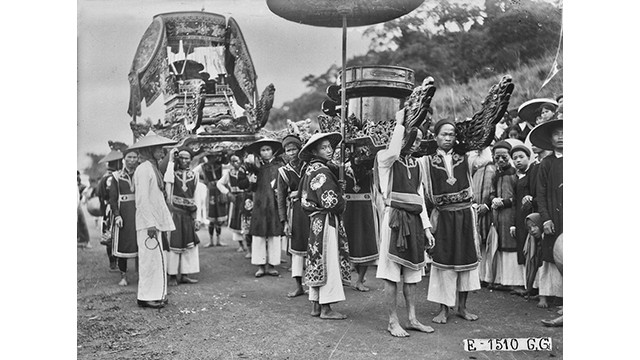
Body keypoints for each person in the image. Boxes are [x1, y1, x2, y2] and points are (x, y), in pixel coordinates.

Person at [374, 110, 435, 337]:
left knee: (412, 273)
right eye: (413, 138)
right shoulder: (384, 158)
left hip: (414, 220)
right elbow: (394, 150)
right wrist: (400, 124)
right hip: (394, 219)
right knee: (391, 273)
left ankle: (411, 318)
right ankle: (392, 321)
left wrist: (427, 227)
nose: (416, 143)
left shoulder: (417, 165)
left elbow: (420, 199)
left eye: (419, 140)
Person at [422, 119, 481, 324]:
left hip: (464, 214)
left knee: (466, 261)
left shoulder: (467, 157)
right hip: (444, 216)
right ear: (435, 136)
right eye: (444, 134)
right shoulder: (425, 161)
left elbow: (486, 157)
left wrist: (471, 139)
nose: (448, 138)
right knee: (444, 263)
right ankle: (444, 309)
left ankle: (462, 307)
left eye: (452, 134)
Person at [298, 132, 351, 320]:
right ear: (314, 151)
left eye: (330, 146)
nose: (329, 150)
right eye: (324, 147)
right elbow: (332, 202)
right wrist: (342, 196)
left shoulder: (309, 170)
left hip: (316, 221)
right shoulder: (323, 172)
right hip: (326, 219)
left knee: (316, 257)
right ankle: (326, 308)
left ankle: (315, 304)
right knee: (328, 260)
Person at [129, 131, 177, 309]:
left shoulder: (152, 168)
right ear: (150, 149)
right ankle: (146, 296)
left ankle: (157, 293)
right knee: (149, 261)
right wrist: (149, 223)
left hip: (154, 222)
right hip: (147, 223)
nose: (162, 153)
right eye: (159, 149)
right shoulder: (143, 169)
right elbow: (141, 200)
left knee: (156, 259)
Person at [530, 119, 563, 309]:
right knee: (550, 255)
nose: (561, 137)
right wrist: (546, 218)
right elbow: (540, 194)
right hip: (554, 215)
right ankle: (546, 294)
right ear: (550, 139)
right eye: (556, 134)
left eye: (564, 132)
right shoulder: (546, 163)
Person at [488, 141, 525, 292]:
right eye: (497, 158)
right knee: (500, 246)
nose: (501, 161)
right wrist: (493, 200)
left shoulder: (514, 174)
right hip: (498, 216)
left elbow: (517, 197)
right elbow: (491, 192)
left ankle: (515, 282)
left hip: (511, 215)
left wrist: (504, 202)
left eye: (504, 157)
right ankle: (502, 280)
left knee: (511, 247)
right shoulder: (497, 174)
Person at [275, 134, 310, 297]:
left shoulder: (309, 167)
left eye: (294, 149)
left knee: (313, 248)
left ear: (300, 149)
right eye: (288, 150)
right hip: (294, 212)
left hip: (311, 210)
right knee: (296, 250)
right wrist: (284, 221)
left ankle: (313, 283)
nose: (291, 153)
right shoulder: (283, 172)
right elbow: (281, 197)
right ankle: (298, 286)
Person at [245, 138, 285, 277]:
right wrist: (251, 182)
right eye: (263, 150)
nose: (266, 152)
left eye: (268, 149)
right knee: (259, 235)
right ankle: (261, 266)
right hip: (260, 204)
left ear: (273, 151)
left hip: (274, 204)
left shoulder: (279, 167)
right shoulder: (255, 168)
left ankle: (272, 265)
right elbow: (250, 188)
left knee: (274, 235)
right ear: (259, 153)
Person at [343, 147, 379, 293]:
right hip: (348, 209)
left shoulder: (370, 169)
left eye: (362, 155)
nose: (358, 158)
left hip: (365, 209)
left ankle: (359, 280)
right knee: (346, 243)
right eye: (356, 154)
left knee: (365, 243)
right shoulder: (342, 168)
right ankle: (344, 279)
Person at [164, 147, 201, 286]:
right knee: (174, 245)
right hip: (175, 214)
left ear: (191, 160)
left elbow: (196, 196)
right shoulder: (172, 174)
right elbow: (167, 182)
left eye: (187, 158)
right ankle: (172, 275)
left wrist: (197, 218)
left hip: (188, 214)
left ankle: (185, 274)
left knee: (188, 246)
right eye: (182, 158)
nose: (184, 161)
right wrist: (171, 161)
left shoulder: (194, 175)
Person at [109, 147, 139, 286]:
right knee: (123, 244)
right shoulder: (116, 176)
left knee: (140, 243)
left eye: (134, 157)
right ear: (124, 159)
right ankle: (123, 276)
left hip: (139, 213)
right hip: (124, 214)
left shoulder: (141, 174)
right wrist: (117, 216)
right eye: (129, 157)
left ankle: (142, 275)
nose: (132, 160)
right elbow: (113, 199)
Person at [509, 144, 536, 296]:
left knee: (533, 250)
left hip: (532, 216)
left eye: (521, 157)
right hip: (519, 218)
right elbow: (514, 201)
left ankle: (534, 287)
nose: (518, 161)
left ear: (528, 157)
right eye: (515, 158)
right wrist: (513, 224)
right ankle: (528, 285)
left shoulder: (534, 172)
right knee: (523, 250)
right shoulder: (516, 177)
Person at [217, 154, 251, 254]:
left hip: (246, 197)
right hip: (235, 199)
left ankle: (249, 247)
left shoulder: (246, 171)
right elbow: (219, 184)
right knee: (236, 220)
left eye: (237, 160)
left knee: (246, 221)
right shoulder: (229, 173)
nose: (236, 163)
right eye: (233, 161)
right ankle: (241, 245)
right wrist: (227, 193)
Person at [470, 148, 494, 284]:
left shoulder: (491, 168)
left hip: (487, 209)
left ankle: (487, 276)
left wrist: (486, 204)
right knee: (477, 240)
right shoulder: (474, 168)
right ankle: (478, 275)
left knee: (486, 242)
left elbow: (492, 188)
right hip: (475, 208)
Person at [97, 148, 124, 271]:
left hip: (107, 207)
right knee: (111, 234)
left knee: (110, 233)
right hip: (110, 208)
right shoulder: (110, 178)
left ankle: (114, 262)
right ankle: (113, 262)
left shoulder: (106, 176)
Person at [195, 153, 228, 247]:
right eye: (212, 157)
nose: (214, 158)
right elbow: (194, 172)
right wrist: (204, 181)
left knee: (219, 218)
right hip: (210, 192)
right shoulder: (203, 167)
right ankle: (210, 240)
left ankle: (218, 240)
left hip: (219, 191)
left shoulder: (220, 166)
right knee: (211, 217)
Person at [78, 171, 91, 249]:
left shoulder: (81, 186)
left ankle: (86, 241)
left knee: (82, 223)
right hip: (78, 205)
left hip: (78, 206)